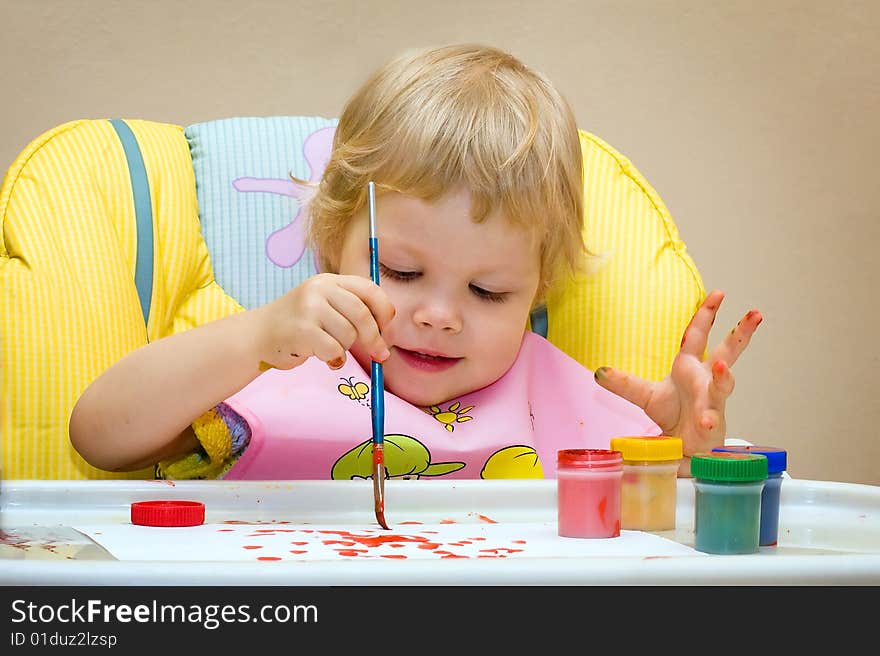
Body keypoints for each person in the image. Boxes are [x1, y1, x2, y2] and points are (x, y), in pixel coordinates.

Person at [69, 43, 762, 481]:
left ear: (538, 291)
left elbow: (661, 549)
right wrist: (254, 339)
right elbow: (97, 437)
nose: (436, 316)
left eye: (488, 291)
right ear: (332, 242)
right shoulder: (279, 354)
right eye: (400, 273)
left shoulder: (555, 394)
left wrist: (678, 447)